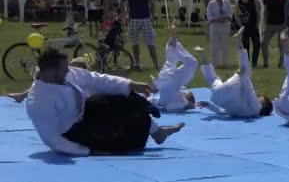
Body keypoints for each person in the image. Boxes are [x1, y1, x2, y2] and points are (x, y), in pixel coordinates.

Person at [26, 48, 184, 156]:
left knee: (123, 98)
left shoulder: (63, 75)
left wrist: (131, 84)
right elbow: (52, 139)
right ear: (51, 71)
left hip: (87, 114)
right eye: (64, 68)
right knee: (122, 144)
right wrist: (88, 151)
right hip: (74, 135)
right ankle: (151, 134)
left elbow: (96, 80)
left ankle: (158, 133)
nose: (69, 70)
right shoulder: (37, 101)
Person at [197, 29, 273, 118]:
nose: (259, 97)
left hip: (228, 91)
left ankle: (238, 42)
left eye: (261, 98)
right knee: (212, 79)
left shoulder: (256, 107)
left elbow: (249, 90)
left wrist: (239, 75)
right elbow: (222, 112)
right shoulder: (246, 111)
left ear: (263, 105)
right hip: (217, 97)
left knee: (246, 72)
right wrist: (209, 105)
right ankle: (203, 56)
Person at [148, 23, 198, 113]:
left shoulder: (181, 100)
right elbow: (155, 101)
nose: (185, 91)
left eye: (186, 92)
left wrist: (187, 104)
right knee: (184, 62)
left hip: (168, 80)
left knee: (190, 63)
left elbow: (168, 106)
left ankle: (173, 45)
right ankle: (173, 45)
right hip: (167, 81)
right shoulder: (175, 97)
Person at [4, 57, 91, 104]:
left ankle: (21, 96)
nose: (69, 70)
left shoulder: (83, 84)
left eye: (73, 68)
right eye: (69, 68)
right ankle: (21, 96)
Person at [121, 0, 158, 70]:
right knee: (135, 43)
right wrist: (124, 15)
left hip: (146, 19)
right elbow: (122, 3)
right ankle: (136, 64)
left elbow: (152, 3)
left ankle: (156, 65)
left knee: (150, 42)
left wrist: (153, 17)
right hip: (133, 20)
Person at [235, 0, 261, 68]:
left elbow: (258, 13)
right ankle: (246, 62)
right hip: (244, 27)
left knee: (256, 45)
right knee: (245, 47)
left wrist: (257, 24)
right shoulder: (238, 1)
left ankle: (254, 63)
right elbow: (236, 15)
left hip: (254, 26)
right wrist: (240, 26)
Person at [206, 0, 233, 69]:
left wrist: (225, 18)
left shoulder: (227, 3)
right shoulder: (211, 3)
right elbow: (208, 15)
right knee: (215, 46)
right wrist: (215, 19)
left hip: (225, 26)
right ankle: (215, 64)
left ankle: (224, 63)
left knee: (224, 45)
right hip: (214, 26)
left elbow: (230, 13)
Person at [261, 0, 285, 68]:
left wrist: (285, 24)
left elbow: (285, 10)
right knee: (263, 43)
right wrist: (265, 23)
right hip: (269, 25)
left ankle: (281, 63)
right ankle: (266, 63)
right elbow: (265, 11)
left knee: (281, 45)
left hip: (281, 25)